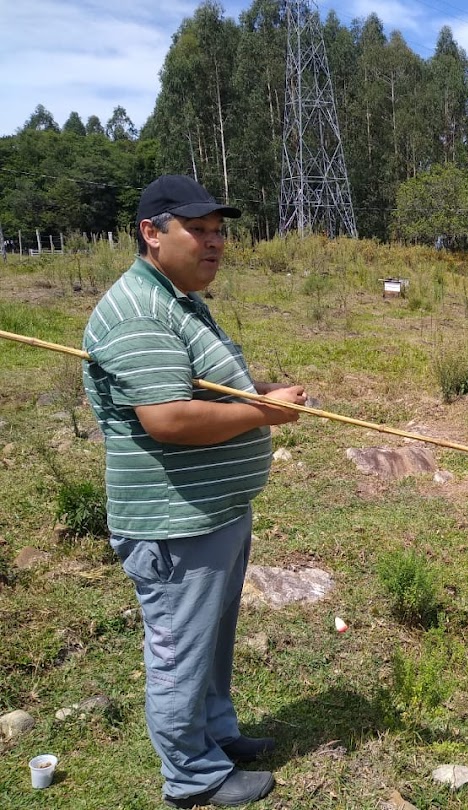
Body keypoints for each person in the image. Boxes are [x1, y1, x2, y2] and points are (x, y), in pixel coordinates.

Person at [83, 175, 308, 807]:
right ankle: (191, 776)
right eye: (197, 231)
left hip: (213, 510)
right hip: (174, 520)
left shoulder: (178, 300)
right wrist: (265, 416)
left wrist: (259, 399)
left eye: (218, 232)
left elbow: (204, 391)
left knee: (210, 639)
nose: (213, 244)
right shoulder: (137, 312)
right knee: (180, 650)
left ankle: (214, 733)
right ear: (151, 233)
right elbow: (169, 418)